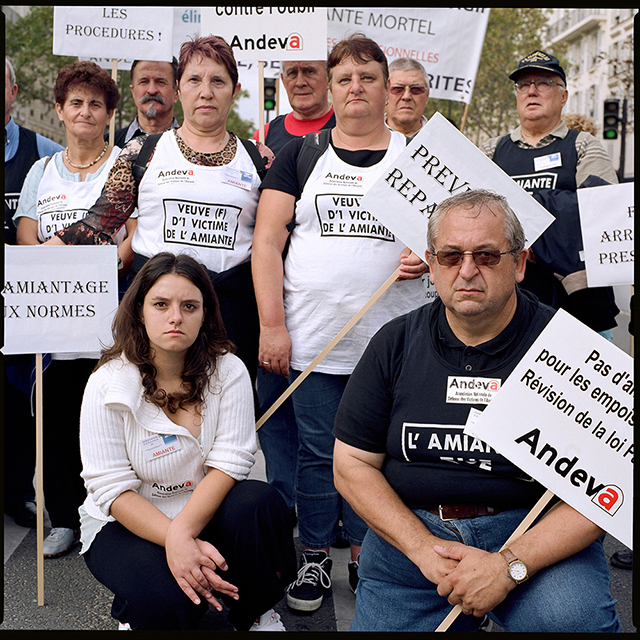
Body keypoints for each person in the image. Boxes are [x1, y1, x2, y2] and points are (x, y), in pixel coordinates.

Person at [333, 189, 622, 632]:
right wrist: (423, 550)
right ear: (431, 263)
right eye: (450, 256)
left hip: (534, 542)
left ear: (520, 263)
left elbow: (605, 491)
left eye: (487, 256)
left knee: (571, 621)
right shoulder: (393, 344)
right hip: (413, 539)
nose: (467, 270)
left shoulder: (570, 349)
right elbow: (352, 463)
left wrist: (509, 565)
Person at [252, 33, 428, 613]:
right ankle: (315, 559)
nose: (356, 88)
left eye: (368, 78)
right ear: (332, 89)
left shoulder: (420, 163)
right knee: (316, 453)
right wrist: (273, 327)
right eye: (345, 78)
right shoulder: (306, 156)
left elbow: (454, 241)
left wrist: (431, 256)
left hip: (394, 345)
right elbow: (267, 242)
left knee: (381, 454)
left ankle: (369, 557)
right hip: (315, 341)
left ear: (385, 89)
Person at [79, 252, 296, 631]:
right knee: (166, 599)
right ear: (139, 311)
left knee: (260, 504)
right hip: (128, 522)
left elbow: (230, 461)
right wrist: (174, 539)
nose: (175, 316)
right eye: (161, 304)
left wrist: (183, 533)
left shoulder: (228, 370)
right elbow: (111, 488)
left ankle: (255, 613)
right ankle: (138, 611)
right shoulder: (106, 381)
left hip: (203, 508)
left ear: (205, 314)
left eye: (189, 306)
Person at [45, 36, 273, 391]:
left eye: (218, 81)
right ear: (179, 89)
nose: (206, 92)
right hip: (155, 315)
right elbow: (98, 224)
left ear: (235, 89)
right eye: (194, 80)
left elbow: (277, 241)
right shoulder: (143, 152)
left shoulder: (260, 159)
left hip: (230, 318)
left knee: (220, 420)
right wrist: (29, 260)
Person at [12, 60, 135, 558]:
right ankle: (64, 517)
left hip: (107, 320)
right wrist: (55, 262)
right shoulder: (42, 171)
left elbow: (132, 239)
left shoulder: (122, 166)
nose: (86, 111)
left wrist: (102, 265)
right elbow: (25, 235)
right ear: (60, 110)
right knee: (57, 421)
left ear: (109, 113)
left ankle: (108, 514)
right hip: (53, 323)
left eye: (97, 104)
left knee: (111, 421)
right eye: (76, 102)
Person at [479, 50, 619, 340]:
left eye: (543, 82)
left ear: (563, 96)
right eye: (523, 84)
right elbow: (474, 217)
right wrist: (556, 206)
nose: (531, 91)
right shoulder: (491, 150)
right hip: (505, 313)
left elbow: (598, 217)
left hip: (579, 313)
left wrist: (516, 223)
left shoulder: (584, 146)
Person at [252, 59, 336, 530]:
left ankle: (337, 520)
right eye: (291, 74)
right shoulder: (270, 135)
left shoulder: (353, 133)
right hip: (281, 310)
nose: (300, 81)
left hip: (340, 322)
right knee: (280, 422)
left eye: (312, 72)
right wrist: (271, 322)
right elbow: (265, 234)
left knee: (329, 437)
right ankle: (287, 513)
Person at [4, 56, 63, 529]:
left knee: (18, 395)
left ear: (15, 92)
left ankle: (19, 490)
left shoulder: (40, 151)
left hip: (21, 298)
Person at [252, 60, 335, 154]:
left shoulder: (348, 130)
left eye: (309, 72)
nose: (300, 83)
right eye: (292, 73)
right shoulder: (264, 136)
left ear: (329, 78)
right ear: (283, 81)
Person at [111, 58, 179, 148]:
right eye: (144, 82)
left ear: (176, 93)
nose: (151, 90)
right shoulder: (109, 145)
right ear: (133, 92)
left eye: (161, 82)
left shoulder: (194, 147)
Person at [385, 57, 430, 139]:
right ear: (385, 93)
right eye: (398, 89)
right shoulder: (364, 136)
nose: (406, 96)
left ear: (427, 95)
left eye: (416, 89)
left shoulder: (442, 141)